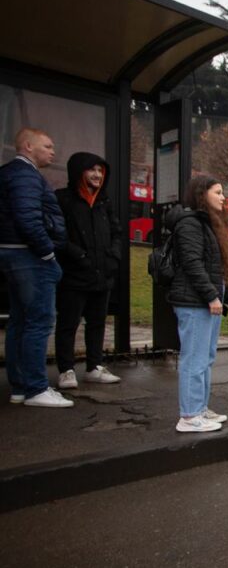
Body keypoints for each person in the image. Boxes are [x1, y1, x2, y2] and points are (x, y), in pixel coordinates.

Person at [0, 128, 71, 408]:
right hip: (29, 257)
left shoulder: (10, 174)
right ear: (28, 146)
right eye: (48, 146)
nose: (53, 152)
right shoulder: (26, 176)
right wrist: (47, 253)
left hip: (16, 255)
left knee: (19, 321)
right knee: (39, 322)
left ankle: (19, 386)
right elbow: (28, 219)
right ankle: (35, 388)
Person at [165, 176, 228, 432]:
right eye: (217, 192)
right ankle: (189, 415)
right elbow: (192, 264)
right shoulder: (191, 224)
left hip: (203, 301)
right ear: (202, 194)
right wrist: (211, 295)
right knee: (194, 359)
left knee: (204, 358)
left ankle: (199, 407)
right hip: (195, 302)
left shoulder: (204, 223)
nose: (223, 197)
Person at [54, 152, 122, 390]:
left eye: (100, 171)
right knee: (68, 323)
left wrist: (113, 257)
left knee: (97, 322)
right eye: (92, 170)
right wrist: (78, 256)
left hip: (102, 274)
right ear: (78, 172)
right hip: (74, 274)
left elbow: (116, 232)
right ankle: (66, 369)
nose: (97, 175)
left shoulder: (104, 202)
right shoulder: (63, 200)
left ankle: (94, 366)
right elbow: (57, 236)